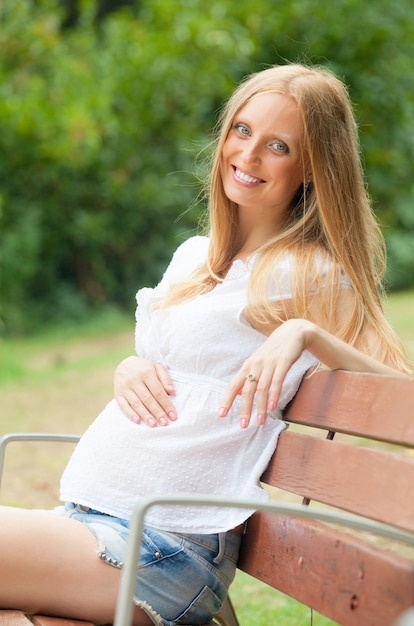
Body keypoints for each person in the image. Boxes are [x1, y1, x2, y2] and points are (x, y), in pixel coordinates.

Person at [0, 63, 412, 626]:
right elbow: (171, 363)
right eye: (242, 132)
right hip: (88, 519)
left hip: (161, 547)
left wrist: (302, 332)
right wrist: (130, 367)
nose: (248, 156)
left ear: (313, 167)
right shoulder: (195, 255)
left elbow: (400, 394)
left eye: (278, 146)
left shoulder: (314, 274)